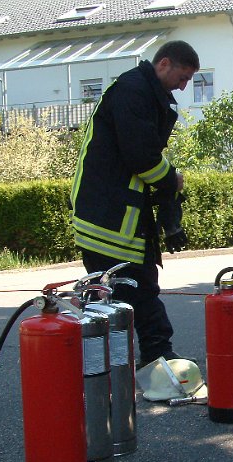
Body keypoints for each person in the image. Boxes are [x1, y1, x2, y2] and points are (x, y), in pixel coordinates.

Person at [70, 40, 200, 367]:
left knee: (125, 291)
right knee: (127, 290)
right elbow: (142, 157)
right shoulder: (133, 91)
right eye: (182, 77)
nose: (183, 87)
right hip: (108, 218)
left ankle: (122, 361)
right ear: (164, 63)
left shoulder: (141, 90)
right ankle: (147, 357)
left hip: (110, 214)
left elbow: (140, 156)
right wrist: (172, 179)